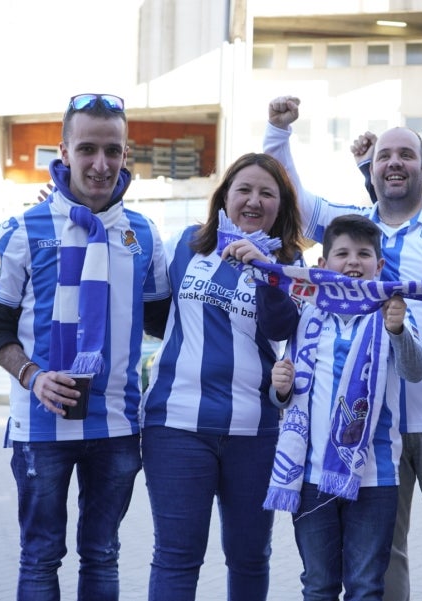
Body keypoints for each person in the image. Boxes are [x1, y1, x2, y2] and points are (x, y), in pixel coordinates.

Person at [265, 96, 422, 601]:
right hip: (370, 433)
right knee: (383, 556)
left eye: (406, 155)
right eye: (385, 155)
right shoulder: (354, 230)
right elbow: (296, 203)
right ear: (371, 169)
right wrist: (278, 135)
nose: (395, 163)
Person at [0, 93, 171, 601]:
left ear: (126, 154)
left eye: (113, 150)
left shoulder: (144, 234)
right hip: (40, 426)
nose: (100, 164)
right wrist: (32, 375)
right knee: (40, 557)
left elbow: (165, 320)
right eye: (87, 149)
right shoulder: (20, 229)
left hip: (118, 425)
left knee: (102, 554)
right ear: (62, 151)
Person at [139, 152, 305, 601]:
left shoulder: (290, 264)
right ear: (224, 198)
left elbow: (281, 329)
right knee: (176, 557)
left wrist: (266, 273)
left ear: (281, 207)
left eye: (266, 193)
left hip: (254, 431)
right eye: (243, 190)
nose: (253, 201)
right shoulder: (184, 245)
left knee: (250, 557)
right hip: (176, 427)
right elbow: (152, 312)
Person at [264, 214, 422, 600]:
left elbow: (416, 371)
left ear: (379, 266)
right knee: (318, 586)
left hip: (375, 478)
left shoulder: (393, 311)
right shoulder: (306, 312)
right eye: (342, 253)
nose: (353, 262)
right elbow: (285, 394)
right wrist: (280, 389)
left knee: (366, 587)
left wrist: (399, 331)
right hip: (309, 477)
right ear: (323, 265)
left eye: (364, 254)